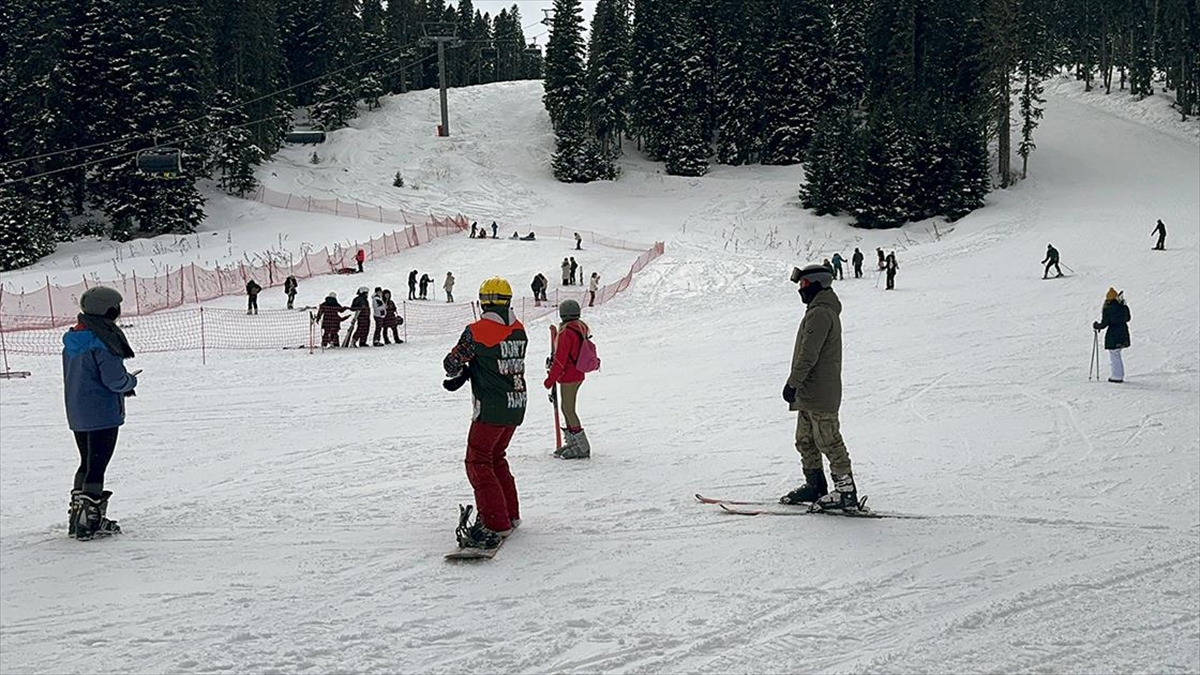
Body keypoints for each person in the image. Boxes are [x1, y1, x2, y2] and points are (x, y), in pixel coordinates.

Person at [442, 277, 528, 550]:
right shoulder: (518, 329)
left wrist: (463, 369)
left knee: (478, 461)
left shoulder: (477, 331)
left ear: (484, 302)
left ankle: (495, 522)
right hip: (515, 403)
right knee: (496, 457)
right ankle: (509, 513)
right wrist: (475, 368)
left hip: (491, 407)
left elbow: (451, 362)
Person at [780, 265, 860, 512]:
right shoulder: (817, 311)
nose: (801, 290)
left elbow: (808, 355)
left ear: (817, 284)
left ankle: (846, 492)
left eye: (804, 285)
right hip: (809, 391)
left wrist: (793, 382)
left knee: (828, 440)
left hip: (820, 392)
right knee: (805, 440)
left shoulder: (821, 313)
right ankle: (815, 485)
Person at [63, 286, 138, 539]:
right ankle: (89, 522)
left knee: (86, 462)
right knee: (97, 465)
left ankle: (77, 518)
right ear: (108, 310)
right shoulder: (103, 341)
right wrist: (130, 381)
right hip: (101, 413)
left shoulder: (73, 338)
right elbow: (114, 380)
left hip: (77, 411)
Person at [545, 299, 592, 459]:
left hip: (569, 375)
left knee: (569, 409)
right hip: (577, 373)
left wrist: (550, 379)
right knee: (566, 408)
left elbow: (560, 360)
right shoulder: (580, 328)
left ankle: (581, 446)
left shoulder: (566, 333)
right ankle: (573, 442)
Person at [1093, 288, 1131, 383]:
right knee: (1117, 354)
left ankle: (1117, 376)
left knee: (1114, 355)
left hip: (1113, 335)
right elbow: (1128, 318)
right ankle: (1118, 375)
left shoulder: (1108, 309)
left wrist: (1097, 326)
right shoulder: (1123, 306)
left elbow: (1104, 323)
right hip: (1124, 332)